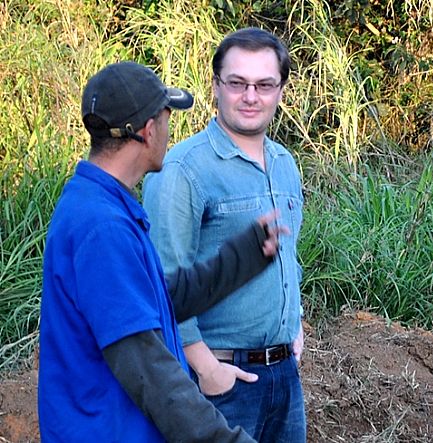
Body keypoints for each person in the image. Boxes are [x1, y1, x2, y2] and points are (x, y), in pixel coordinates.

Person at [38, 61, 286, 442]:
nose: (170, 132)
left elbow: (158, 300)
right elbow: (148, 369)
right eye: (168, 117)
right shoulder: (102, 227)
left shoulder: (102, 205)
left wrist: (246, 255)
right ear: (149, 130)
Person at [142, 28, 306, 442]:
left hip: (285, 376)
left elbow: (289, 256)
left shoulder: (285, 164)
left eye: (264, 85)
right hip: (219, 383)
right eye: (238, 83)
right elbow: (163, 281)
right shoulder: (185, 169)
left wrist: (295, 328)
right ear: (216, 86)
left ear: (281, 91)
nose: (251, 96)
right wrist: (208, 369)